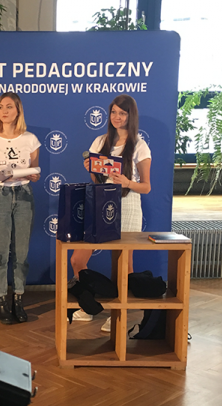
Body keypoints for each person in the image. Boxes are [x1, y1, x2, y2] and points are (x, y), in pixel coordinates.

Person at [71, 94, 152, 332]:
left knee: (124, 264)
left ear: (131, 116)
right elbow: (97, 180)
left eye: (122, 113)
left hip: (128, 204)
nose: (117, 117)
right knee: (77, 259)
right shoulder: (100, 141)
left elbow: (146, 186)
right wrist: (90, 169)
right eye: (114, 112)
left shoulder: (139, 145)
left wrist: (127, 182)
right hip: (101, 203)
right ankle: (88, 306)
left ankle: (119, 315)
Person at [0, 92, 41, 324]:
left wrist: (33, 176)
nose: (4, 111)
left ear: (18, 110)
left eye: (9, 107)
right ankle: (1, 301)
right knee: (0, 252)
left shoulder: (30, 139)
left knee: (21, 253)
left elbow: (35, 170)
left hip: (23, 195)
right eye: (1, 107)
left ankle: (18, 299)